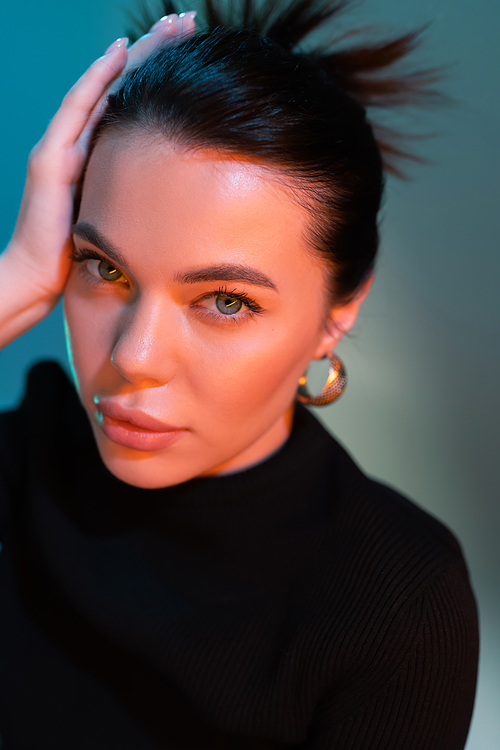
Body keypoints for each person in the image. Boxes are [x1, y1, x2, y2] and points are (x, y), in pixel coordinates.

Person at [0, 1, 478, 748]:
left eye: (225, 301)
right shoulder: (23, 465)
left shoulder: (393, 599)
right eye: (104, 267)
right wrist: (18, 278)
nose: (134, 357)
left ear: (336, 313)